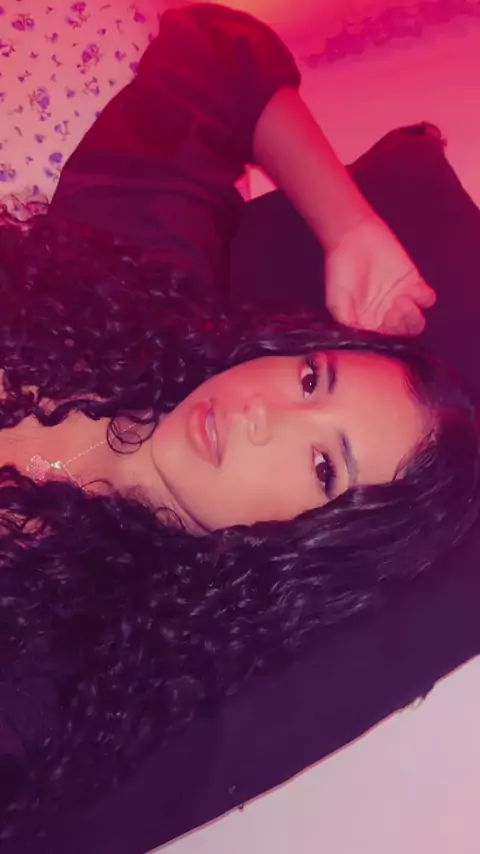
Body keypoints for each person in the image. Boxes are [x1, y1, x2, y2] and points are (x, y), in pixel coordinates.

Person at [0, 3, 479, 852]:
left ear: (307, 551)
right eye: (310, 377)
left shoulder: (61, 665)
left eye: (324, 467)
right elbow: (217, 58)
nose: (265, 415)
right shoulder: (132, 294)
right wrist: (352, 226)